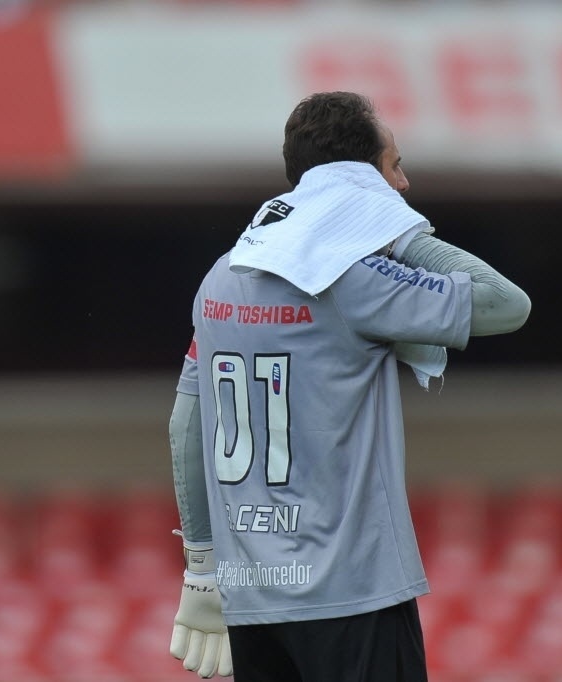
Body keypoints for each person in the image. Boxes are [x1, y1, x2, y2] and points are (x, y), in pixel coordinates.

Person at [167, 91, 531, 682]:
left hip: (251, 595)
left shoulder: (222, 274)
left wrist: (202, 564)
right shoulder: (352, 278)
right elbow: (506, 304)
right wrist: (400, 233)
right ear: (361, 181)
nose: (404, 184)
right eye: (394, 167)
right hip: (351, 592)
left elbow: (187, 425)